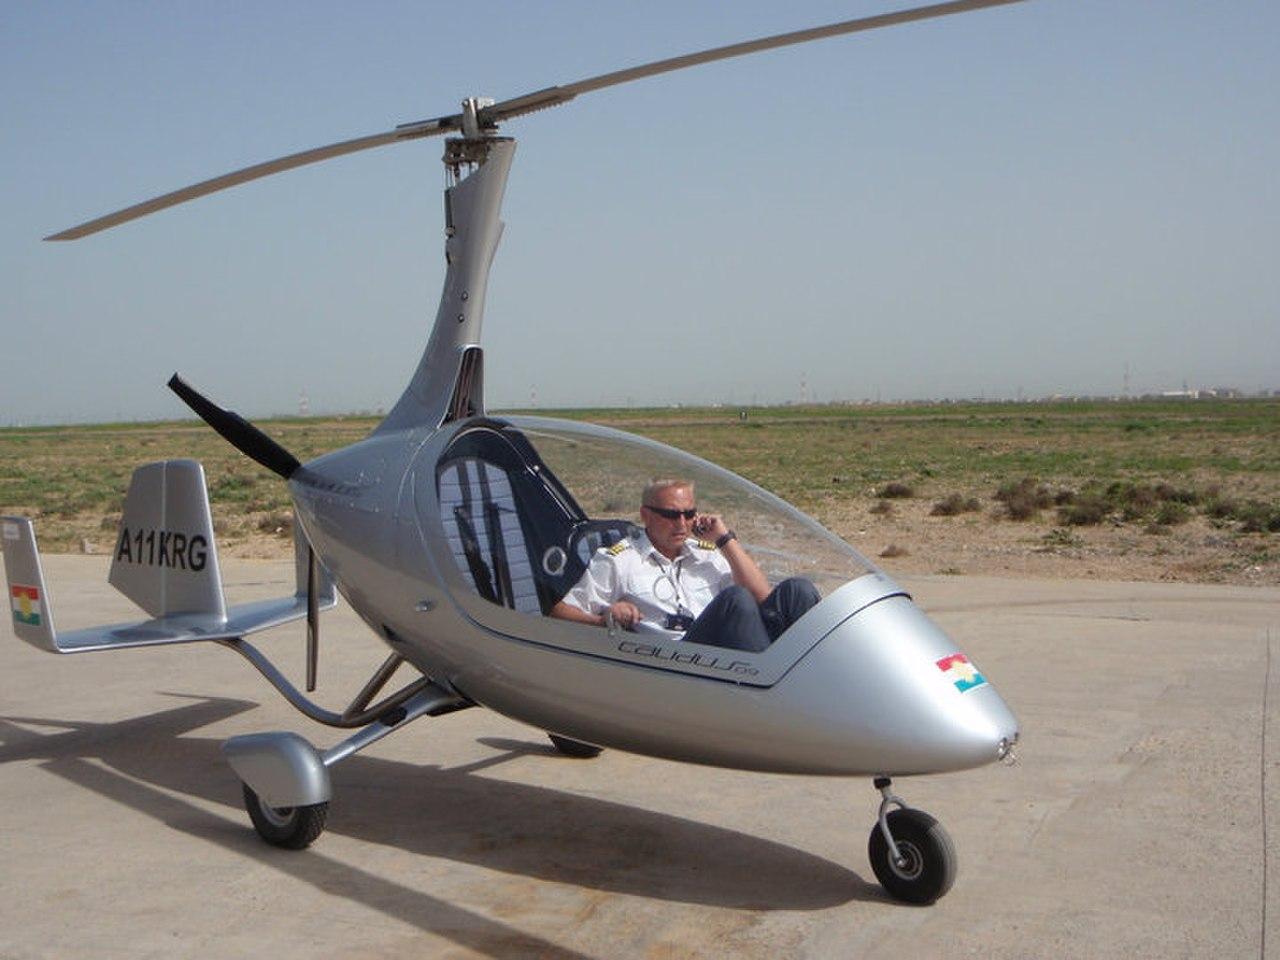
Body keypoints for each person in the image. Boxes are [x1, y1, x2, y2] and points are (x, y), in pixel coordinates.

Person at [550, 478, 819, 653]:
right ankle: (776, 695)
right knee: (735, 600)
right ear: (645, 515)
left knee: (798, 590)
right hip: (680, 662)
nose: (681, 524)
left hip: (726, 654)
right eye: (670, 515)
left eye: (689, 514)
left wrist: (724, 540)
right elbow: (560, 613)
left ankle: (817, 681)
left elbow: (763, 597)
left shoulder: (707, 554)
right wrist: (604, 619)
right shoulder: (620, 560)